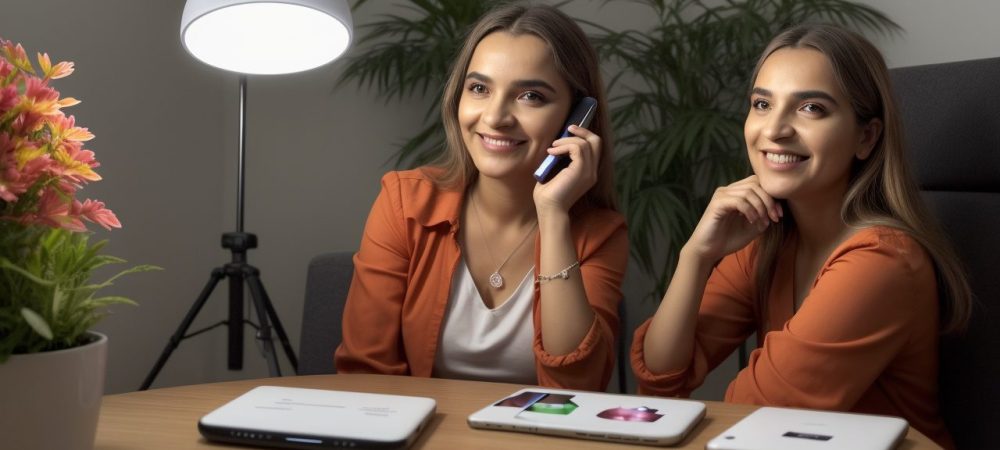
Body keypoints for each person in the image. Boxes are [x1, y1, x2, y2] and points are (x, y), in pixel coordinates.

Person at [630, 24, 971, 449]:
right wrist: (696, 254)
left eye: (810, 108)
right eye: (761, 104)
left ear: (866, 137)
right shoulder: (768, 242)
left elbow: (759, 415)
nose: (775, 130)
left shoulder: (882, 262)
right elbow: (662, 378)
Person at [335, 3, 627, 391]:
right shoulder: (405, 202)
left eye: (531, 96)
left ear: (576, 117)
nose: (495, 117)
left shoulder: (600, 234)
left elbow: (579, 387)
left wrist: (553, 215)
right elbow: (365, 374)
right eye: (479, 88)